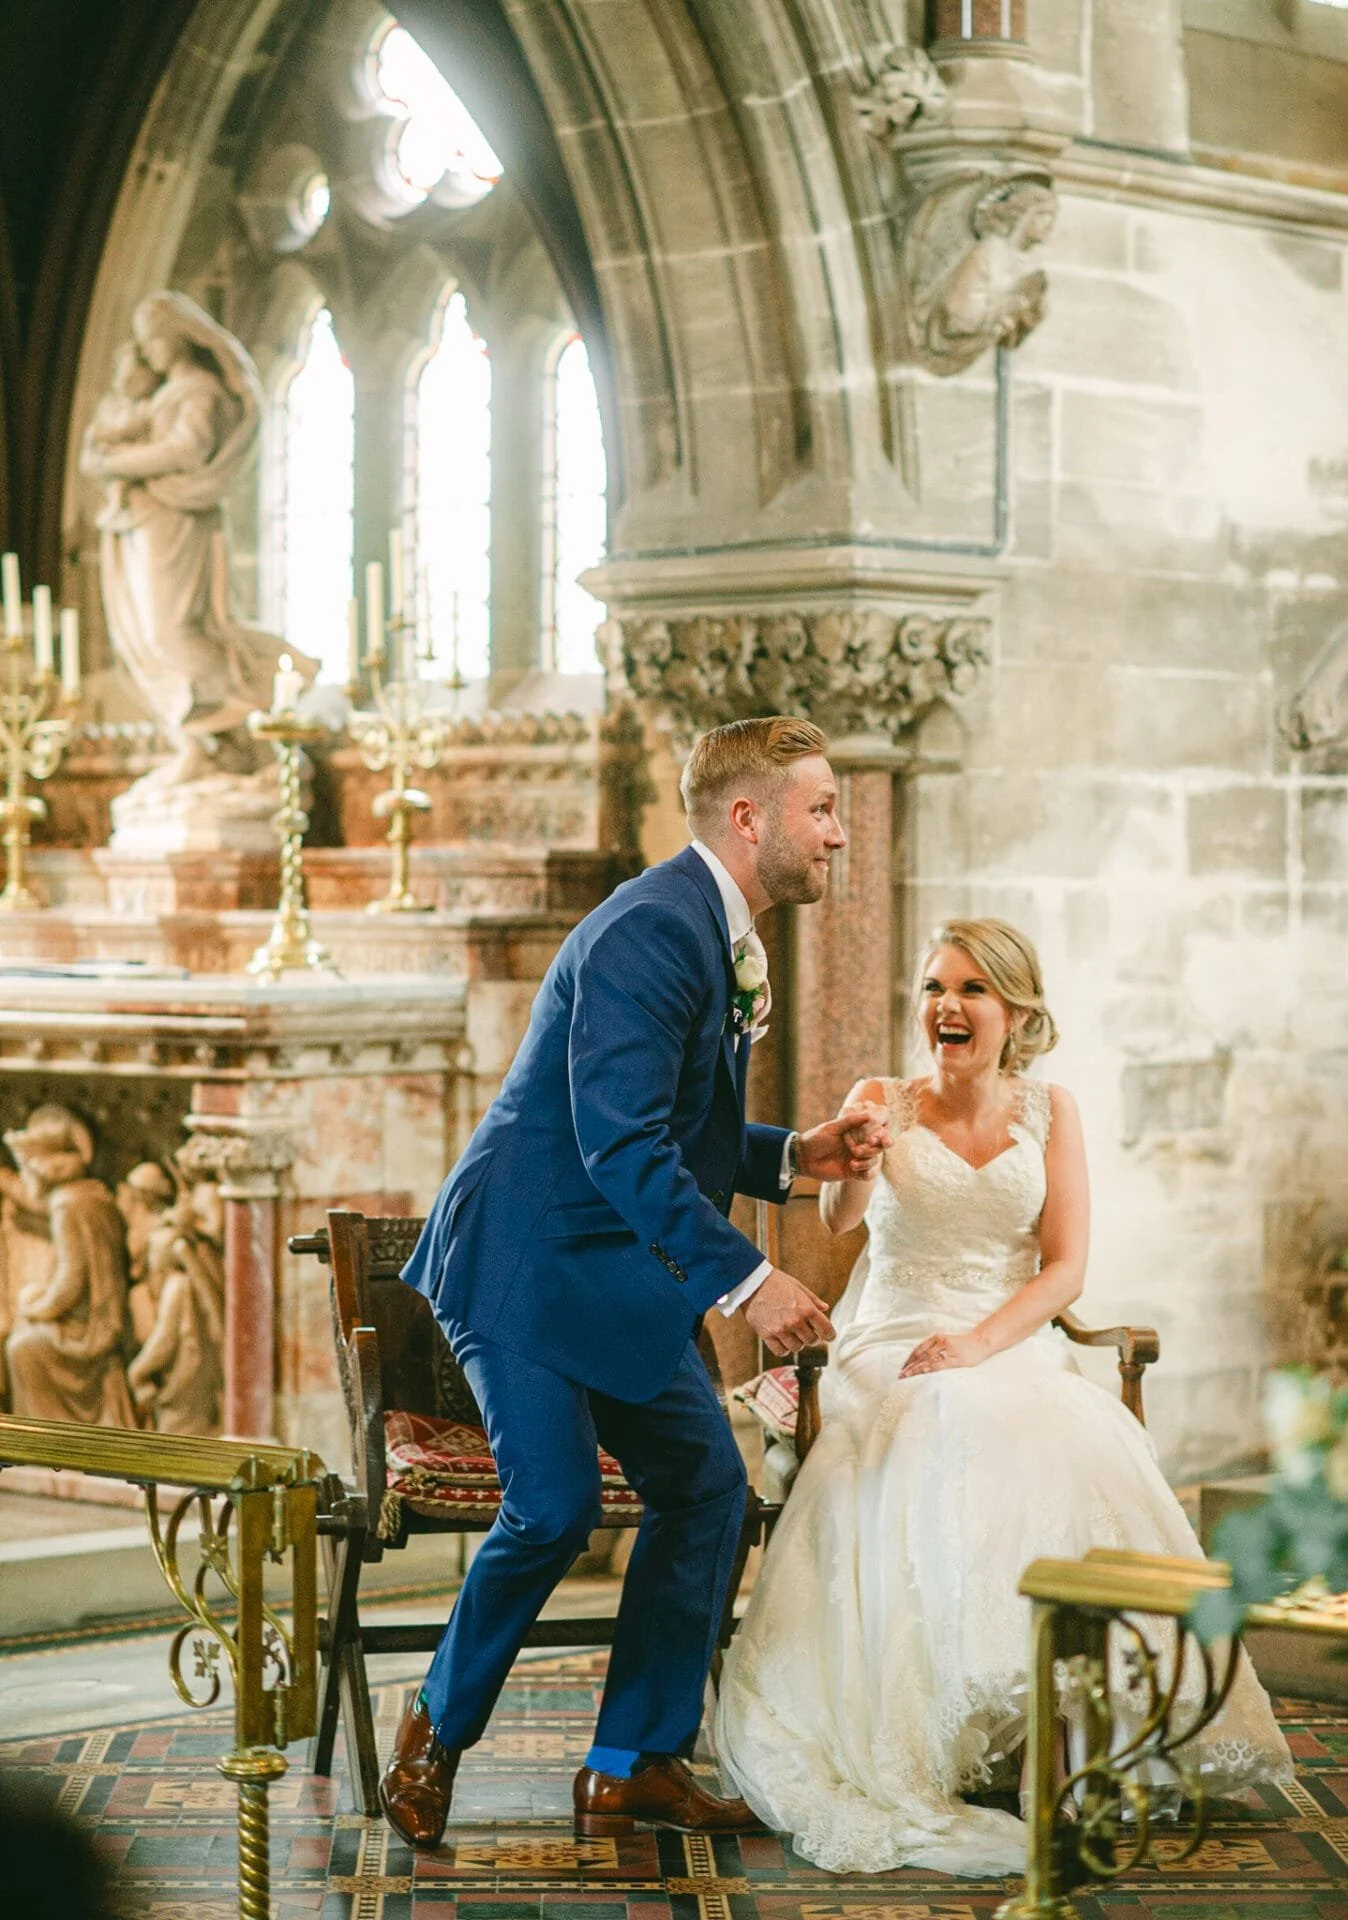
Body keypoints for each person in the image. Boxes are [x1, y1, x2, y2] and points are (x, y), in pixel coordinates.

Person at [385, 716, 891, 1851]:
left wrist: (789, 1156)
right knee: (554, 1506)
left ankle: (630, 1763)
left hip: (621, 1269)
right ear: (747, 817)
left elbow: (672, 1126)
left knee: (708, 1492)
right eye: (820, 809)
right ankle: (432, 1728)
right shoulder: (652, 932)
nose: (838, 835)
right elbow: (618, 1144)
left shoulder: (710, 930)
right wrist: (751, 1281)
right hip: (526, 1261)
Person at [714, 917, 1293, 1876]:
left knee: (1066, 1430)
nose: (948, 1005)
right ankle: (944, 1719)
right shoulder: (880, 1099)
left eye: (973, 989)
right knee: (947, 1422)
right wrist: (856, 1163)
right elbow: (839, 1218)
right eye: (937, 987)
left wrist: (982, 1341)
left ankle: (1056, 1729)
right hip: (892, 1339)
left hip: (1003, 1338)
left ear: (1015, 1011)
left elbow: (1065, 1270)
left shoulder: (1052, 1112)